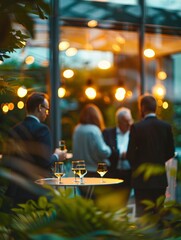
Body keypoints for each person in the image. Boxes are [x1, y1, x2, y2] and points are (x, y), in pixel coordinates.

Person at [3, 92, 66, 206]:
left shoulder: (14, 129)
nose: (47, 113)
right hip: (36, 190)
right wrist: (57, 156)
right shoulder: (42, 130)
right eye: (46, 109)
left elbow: (7, 160)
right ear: (39, 108)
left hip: (16, 190)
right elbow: (44, 162)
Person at [126, 94, 175, 217]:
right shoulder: (166, 127)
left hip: (141, 180)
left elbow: (130, 154)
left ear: (142, 107)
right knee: (158, 214)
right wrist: (158, 161)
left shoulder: (136, 127)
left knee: (143, 216)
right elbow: (171, 152)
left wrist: (138, 166)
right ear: (155, 108)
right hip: (159, 179)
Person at [103, 107, 133, 207]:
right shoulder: (108, 133)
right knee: (113, 204)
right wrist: (120, 154)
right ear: (118, 122)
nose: (129, 124)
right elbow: (105, 152)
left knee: (124, 203)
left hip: (128, 174)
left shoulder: (134, 133)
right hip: (113, 173)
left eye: (130, 120)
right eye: (126, 122)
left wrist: (128, 154)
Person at [72, 103, 111, 177]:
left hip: (79, 171)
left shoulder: (77, 129)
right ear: (96, 117)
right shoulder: (94, 130)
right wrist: (109, 149)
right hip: (94, 170)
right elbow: (103, 151)